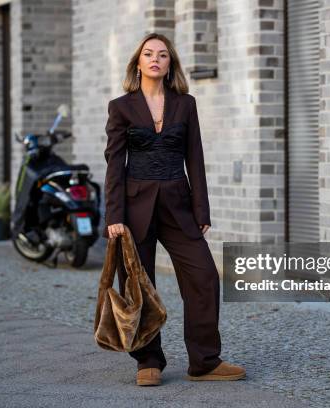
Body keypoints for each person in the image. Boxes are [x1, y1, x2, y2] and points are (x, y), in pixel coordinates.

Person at [102, 33, 245, 386]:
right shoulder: (121, 107)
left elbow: (194, 157)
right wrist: (114, 216)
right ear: (138, 63)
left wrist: (202, 210)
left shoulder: (186, 104)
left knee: (204, 277)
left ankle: (205, 361)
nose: (155, 59)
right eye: (148, 54)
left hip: (179, 206)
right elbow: (114, 164)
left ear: (170, 64)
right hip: (135, 209)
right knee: (139, 282)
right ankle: (148, 361)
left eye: (162, 55)